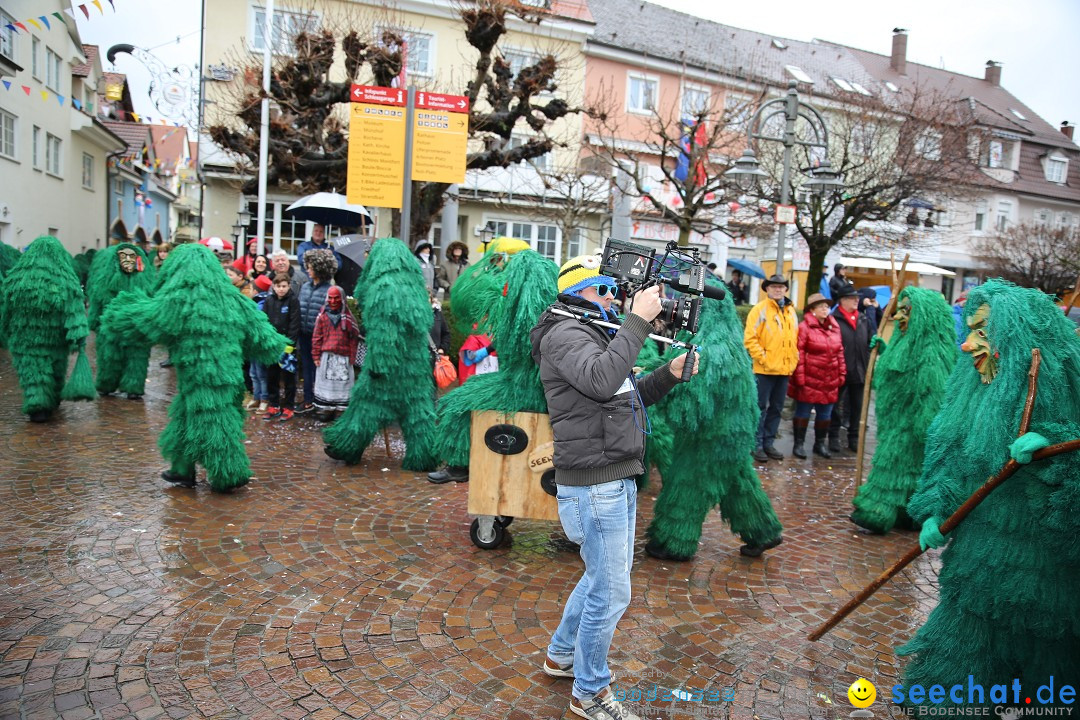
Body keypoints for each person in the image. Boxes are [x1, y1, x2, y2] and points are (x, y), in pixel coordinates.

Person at [897, 280, 1080, 708]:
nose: (967, 346)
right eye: (970, 331)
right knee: (948, 686)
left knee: (1053, 683)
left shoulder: (1068, 391)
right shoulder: (968, 394)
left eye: (982, 333)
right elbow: (946, 454)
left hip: (1046, 580)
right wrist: (932, 512)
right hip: (974, 569)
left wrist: (1053, 444)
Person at [530, 255, 697, 720]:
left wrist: (669, 374)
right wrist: (637, 322)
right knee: (611, 591)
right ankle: (590, 693)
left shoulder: (591, 334)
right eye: (602, 290)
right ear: (576, 292)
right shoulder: (564, 333)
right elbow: (602, 382)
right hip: (594, 485)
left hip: (613, 475)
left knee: (599, 578)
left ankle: (562, 655)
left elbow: (625, 396)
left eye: (612, 291)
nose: (611, 298)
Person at [100, 243, 288, 492]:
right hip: (227, 376)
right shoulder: (234, 300)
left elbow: (146, 321)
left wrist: (118, 308)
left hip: (200, 377)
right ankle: (182, 469)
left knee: (214, 423)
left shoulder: (177, 301)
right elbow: (266, 339)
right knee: (188, 417)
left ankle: (229, 474)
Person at [0, 236, 95, 422]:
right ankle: (53, 397)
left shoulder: (15, 280)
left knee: (32, 371)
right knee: (56, 367)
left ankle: (38, 406)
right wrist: (78, 337)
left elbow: (6, 311)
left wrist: (6, 331)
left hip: (24, 340)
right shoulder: (66, 280)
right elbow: (74, 312)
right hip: (56, 340)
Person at [87, 243, 156, 400]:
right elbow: (97, 302)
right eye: (123, 256)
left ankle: (134, 386)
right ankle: (107, 384)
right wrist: (94, 322)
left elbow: (153, 303)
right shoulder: (105, 282)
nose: (127, 260)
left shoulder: (146, 284)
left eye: (131, 257)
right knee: (109, 357)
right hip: (110, 328)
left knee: (137, 357)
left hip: (136, 329)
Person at [743, 274, 799, 462]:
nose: (778, 289)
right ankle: (756, 444)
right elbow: (750, 339)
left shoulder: (791, 311)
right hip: (764, 369)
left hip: (784, 369)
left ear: (785, 289)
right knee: (760, 407)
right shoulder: (759, 310)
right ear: (767, 289)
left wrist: (794, 358)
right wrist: (764, 358)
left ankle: (768, 443)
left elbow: (793, 338)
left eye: (781, 286)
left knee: (777, 408)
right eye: (774, 286)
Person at [787, 293, 845, 459]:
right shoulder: (805, 327)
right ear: (812, 310)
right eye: (821, 306)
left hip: (829, 378)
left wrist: (842, 372)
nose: (825, 309)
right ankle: (798, 444)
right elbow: (799, 352)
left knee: (825, 414)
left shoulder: (834, 327)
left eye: (827, 306)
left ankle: (819, 444)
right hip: (810, 377)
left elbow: (839, 351)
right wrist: (800, 377)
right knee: (803, 411)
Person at [827, 285, 873, 453]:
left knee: (857, 406)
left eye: (857, 298)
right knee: (834, 406)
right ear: (843, 300)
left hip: (859, 369)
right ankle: (833, 436)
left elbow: (869, 340)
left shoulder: (862, 318)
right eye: (852, 298)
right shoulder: (833, 319)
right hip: (839, 370)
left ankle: (854, 438)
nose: (856, 301)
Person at [311, 286, 360, 421]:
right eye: (330, 298)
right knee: (326, 385)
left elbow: (353, 338)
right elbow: (317, 337)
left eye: (336, 298)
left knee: (343, 386)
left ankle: (340, 410)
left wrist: (352, 356)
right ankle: (326, 409)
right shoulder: (322, 317)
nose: (333, 301)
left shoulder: (348, 319)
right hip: (326, 357)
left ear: (342, 299)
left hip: (343, 357)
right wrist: (315, 355)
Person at [297, 249, 337, 413]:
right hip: (304, 334)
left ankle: (321, 401)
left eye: (311, 266)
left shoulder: (329, 290)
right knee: (306, 368)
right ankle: (308, 400)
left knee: (320, 370)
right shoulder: (305, 286)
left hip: (320, 337)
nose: (308, 269)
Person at [262, 274, 301, 422]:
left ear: (289, 286)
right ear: (274, 286)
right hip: (273, 346)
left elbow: (295, 323)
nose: (281, 289)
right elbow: (264, 321)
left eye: (284, 286)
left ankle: (289, 406)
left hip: (287, 347)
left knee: (289, 378)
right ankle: (274, 405)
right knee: (272, 377)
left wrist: (290, 344)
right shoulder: (269, 300)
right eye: (278, 286)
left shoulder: (293, 301)